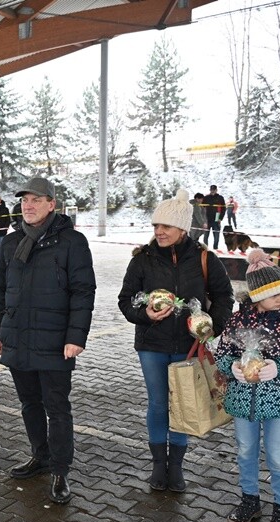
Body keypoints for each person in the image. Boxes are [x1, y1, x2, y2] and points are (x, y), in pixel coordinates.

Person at [117, 189, 234, 493]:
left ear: (182, 228)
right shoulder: (142, 259)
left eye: (166, 226)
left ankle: (177, 467)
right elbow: (125, 300)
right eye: (156, 226)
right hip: (151, 344)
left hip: (188, 345)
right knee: (158, 404)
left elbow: (224, 295)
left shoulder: (204, 258)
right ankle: (159, 465)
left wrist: (211, 327)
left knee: (183, 403)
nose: (159, 232)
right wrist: (145, 315)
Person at [0, 177, 96, 505]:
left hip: (55, 342)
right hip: (18, 337)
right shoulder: (11, 243)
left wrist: (76, 336)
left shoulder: (71, 242)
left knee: (57, 407)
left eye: (36, 200)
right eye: (24, 200)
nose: (28, 205)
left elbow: (83, 291)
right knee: (29, 403)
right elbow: (0, 291)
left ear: (52, 204)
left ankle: (60, 470)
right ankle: (41, 456)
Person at [215, 249, 280, 522]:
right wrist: (232, 366)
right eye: (273, 293)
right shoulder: (237, 321)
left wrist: (278, 367)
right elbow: (222, 353)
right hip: (243, 400)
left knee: (278, 458)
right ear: (256, 295)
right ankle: (250, 500)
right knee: (246, 452)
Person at [202, 185, 226, 250]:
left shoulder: (220, 198)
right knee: (206, 235)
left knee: (216, 235)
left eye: (214, 190)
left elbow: (223, 209)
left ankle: (215, 248)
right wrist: (203, 219)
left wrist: (220, 218)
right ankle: (205, 248)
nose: (213, 191)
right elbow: (202, 208)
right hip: (207, 219)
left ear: (216, 190)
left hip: (216, 218)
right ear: (210, 190)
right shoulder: (206, 197)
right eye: (211, 190)